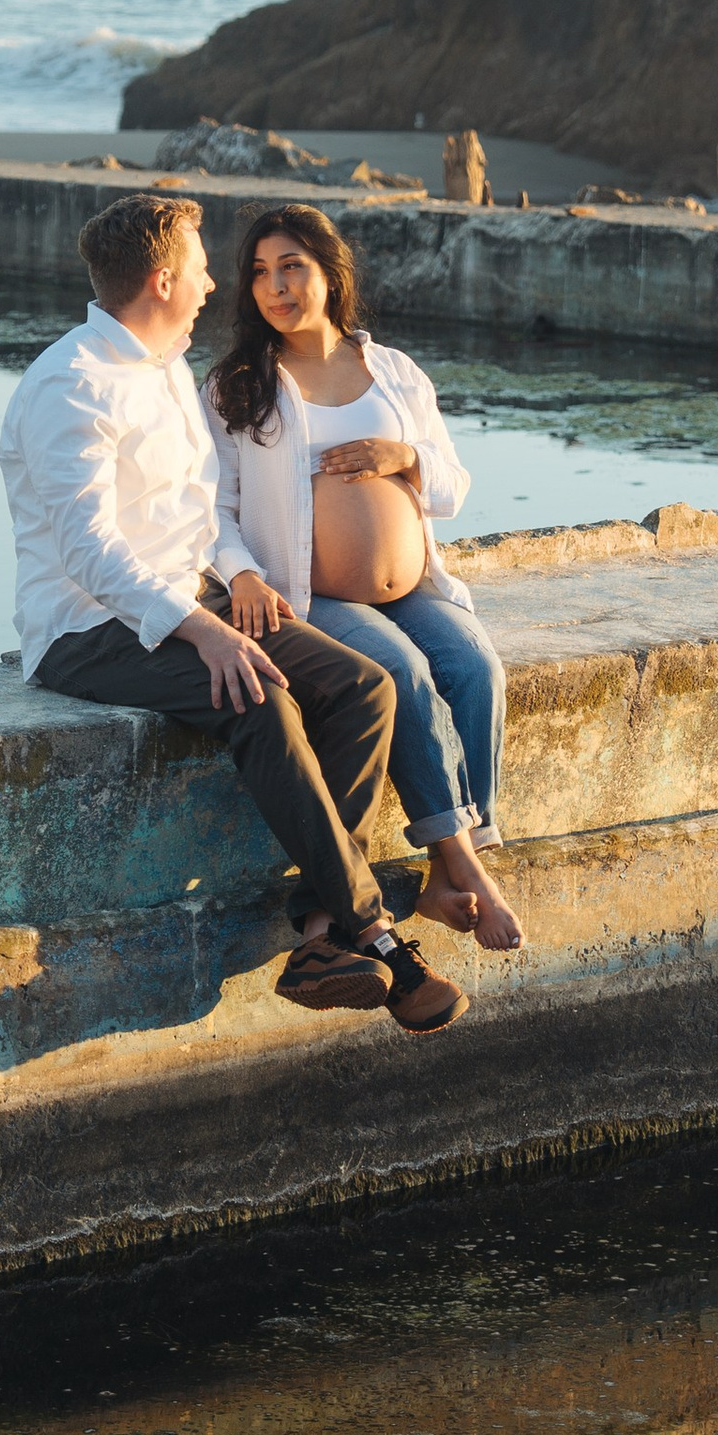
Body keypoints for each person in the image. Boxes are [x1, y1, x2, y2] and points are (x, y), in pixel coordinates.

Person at [0, 188, 464, 1033]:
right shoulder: (71, 385)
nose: (215, 286)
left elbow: (200, 513)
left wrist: (232, 586)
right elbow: (88, 551)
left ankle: (321, 939)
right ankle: (374, 936)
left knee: (365, 686)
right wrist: (203, 629)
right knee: (261, 699)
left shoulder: (167, 366)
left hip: (193, 597)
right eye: (205, 269)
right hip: (89, 628)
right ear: (163, 279)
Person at [202, 201, 523, 952]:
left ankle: (450, 869)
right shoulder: (238, 385)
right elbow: (210, 506)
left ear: (329, 272)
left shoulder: (395, 373)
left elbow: (452, 485)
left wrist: (403, 457)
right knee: (403, 673)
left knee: (475, 666)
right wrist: (241, 576)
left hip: (412, 588)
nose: (276, 287)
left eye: (292, 267)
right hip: (307, 595)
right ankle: (465, 868)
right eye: (260, 273)